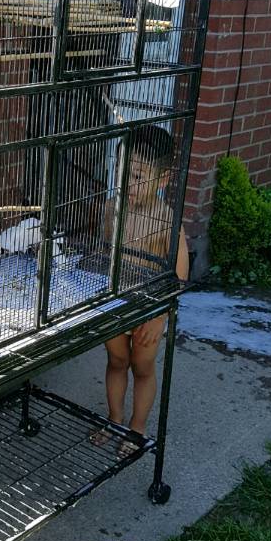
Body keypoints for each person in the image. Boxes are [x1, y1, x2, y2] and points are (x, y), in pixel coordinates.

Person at [104, 125, 189, 435]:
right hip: (116, 304)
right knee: (116, 362)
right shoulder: (112, 210)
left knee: (142, 369)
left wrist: (159, 317)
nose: (128, 182)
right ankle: (114, 420)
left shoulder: (169, 222)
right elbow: (104, 258)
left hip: (149, 312)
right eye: (122, 171)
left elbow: (179, 277)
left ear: (162, 179)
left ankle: (137, 428)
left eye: (138, 177)